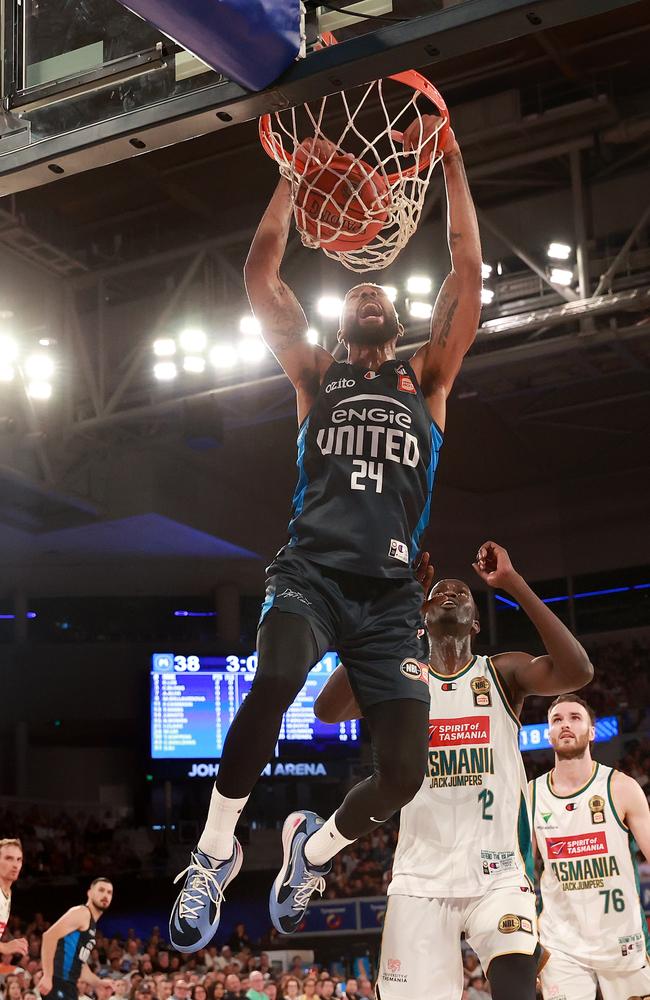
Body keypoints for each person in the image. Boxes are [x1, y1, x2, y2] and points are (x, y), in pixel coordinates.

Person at [169, 122, 483, 950]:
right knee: (273, 676)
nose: (368, 292)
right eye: (353, 295)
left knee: (406, 774)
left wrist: (450, 160)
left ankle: (314, 848)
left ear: (398, 317)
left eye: (378, 294)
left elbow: (467, 269)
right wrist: (293, 177)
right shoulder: (315, 375)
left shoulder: (432, 377)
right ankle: (213, 854)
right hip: (310, 572)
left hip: (387, 599)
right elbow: (261, 273)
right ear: (340, 322)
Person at [315, 541, 594, 1000]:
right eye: (438, 593)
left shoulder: (502, 673)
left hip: (499, 875)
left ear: (477, 621)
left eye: (461, 594)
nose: (449, 594)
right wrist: (391, 612)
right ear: (422, 617)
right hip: (420, 879)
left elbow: (578, 670)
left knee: (516, 989)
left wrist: (512, 583)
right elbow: (327, 710)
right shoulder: (402, 678)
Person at [533, 693, 650, 1000]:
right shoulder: (530, 795)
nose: (565, 725)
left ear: (592, 731)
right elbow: (520, 872)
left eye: (574, 718)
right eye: (557, 720)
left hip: (622, 937)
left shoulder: (622, 787)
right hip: (561, 943)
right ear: (549, 733)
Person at [38, 878, 113, 1000]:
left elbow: (80, 965)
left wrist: (98, 982)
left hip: (69, 986)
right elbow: (49, 936)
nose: (105, 895)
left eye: (109, 892)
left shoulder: (91, 924)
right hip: (58, 981)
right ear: (89, 893)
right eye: (101, 890)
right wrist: (47, 975)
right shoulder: (82, 913)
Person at [0, 840, 28, 963]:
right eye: (9, 858)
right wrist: (4, 947)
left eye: (19, 859)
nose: (15, 865)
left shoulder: (7, 892)